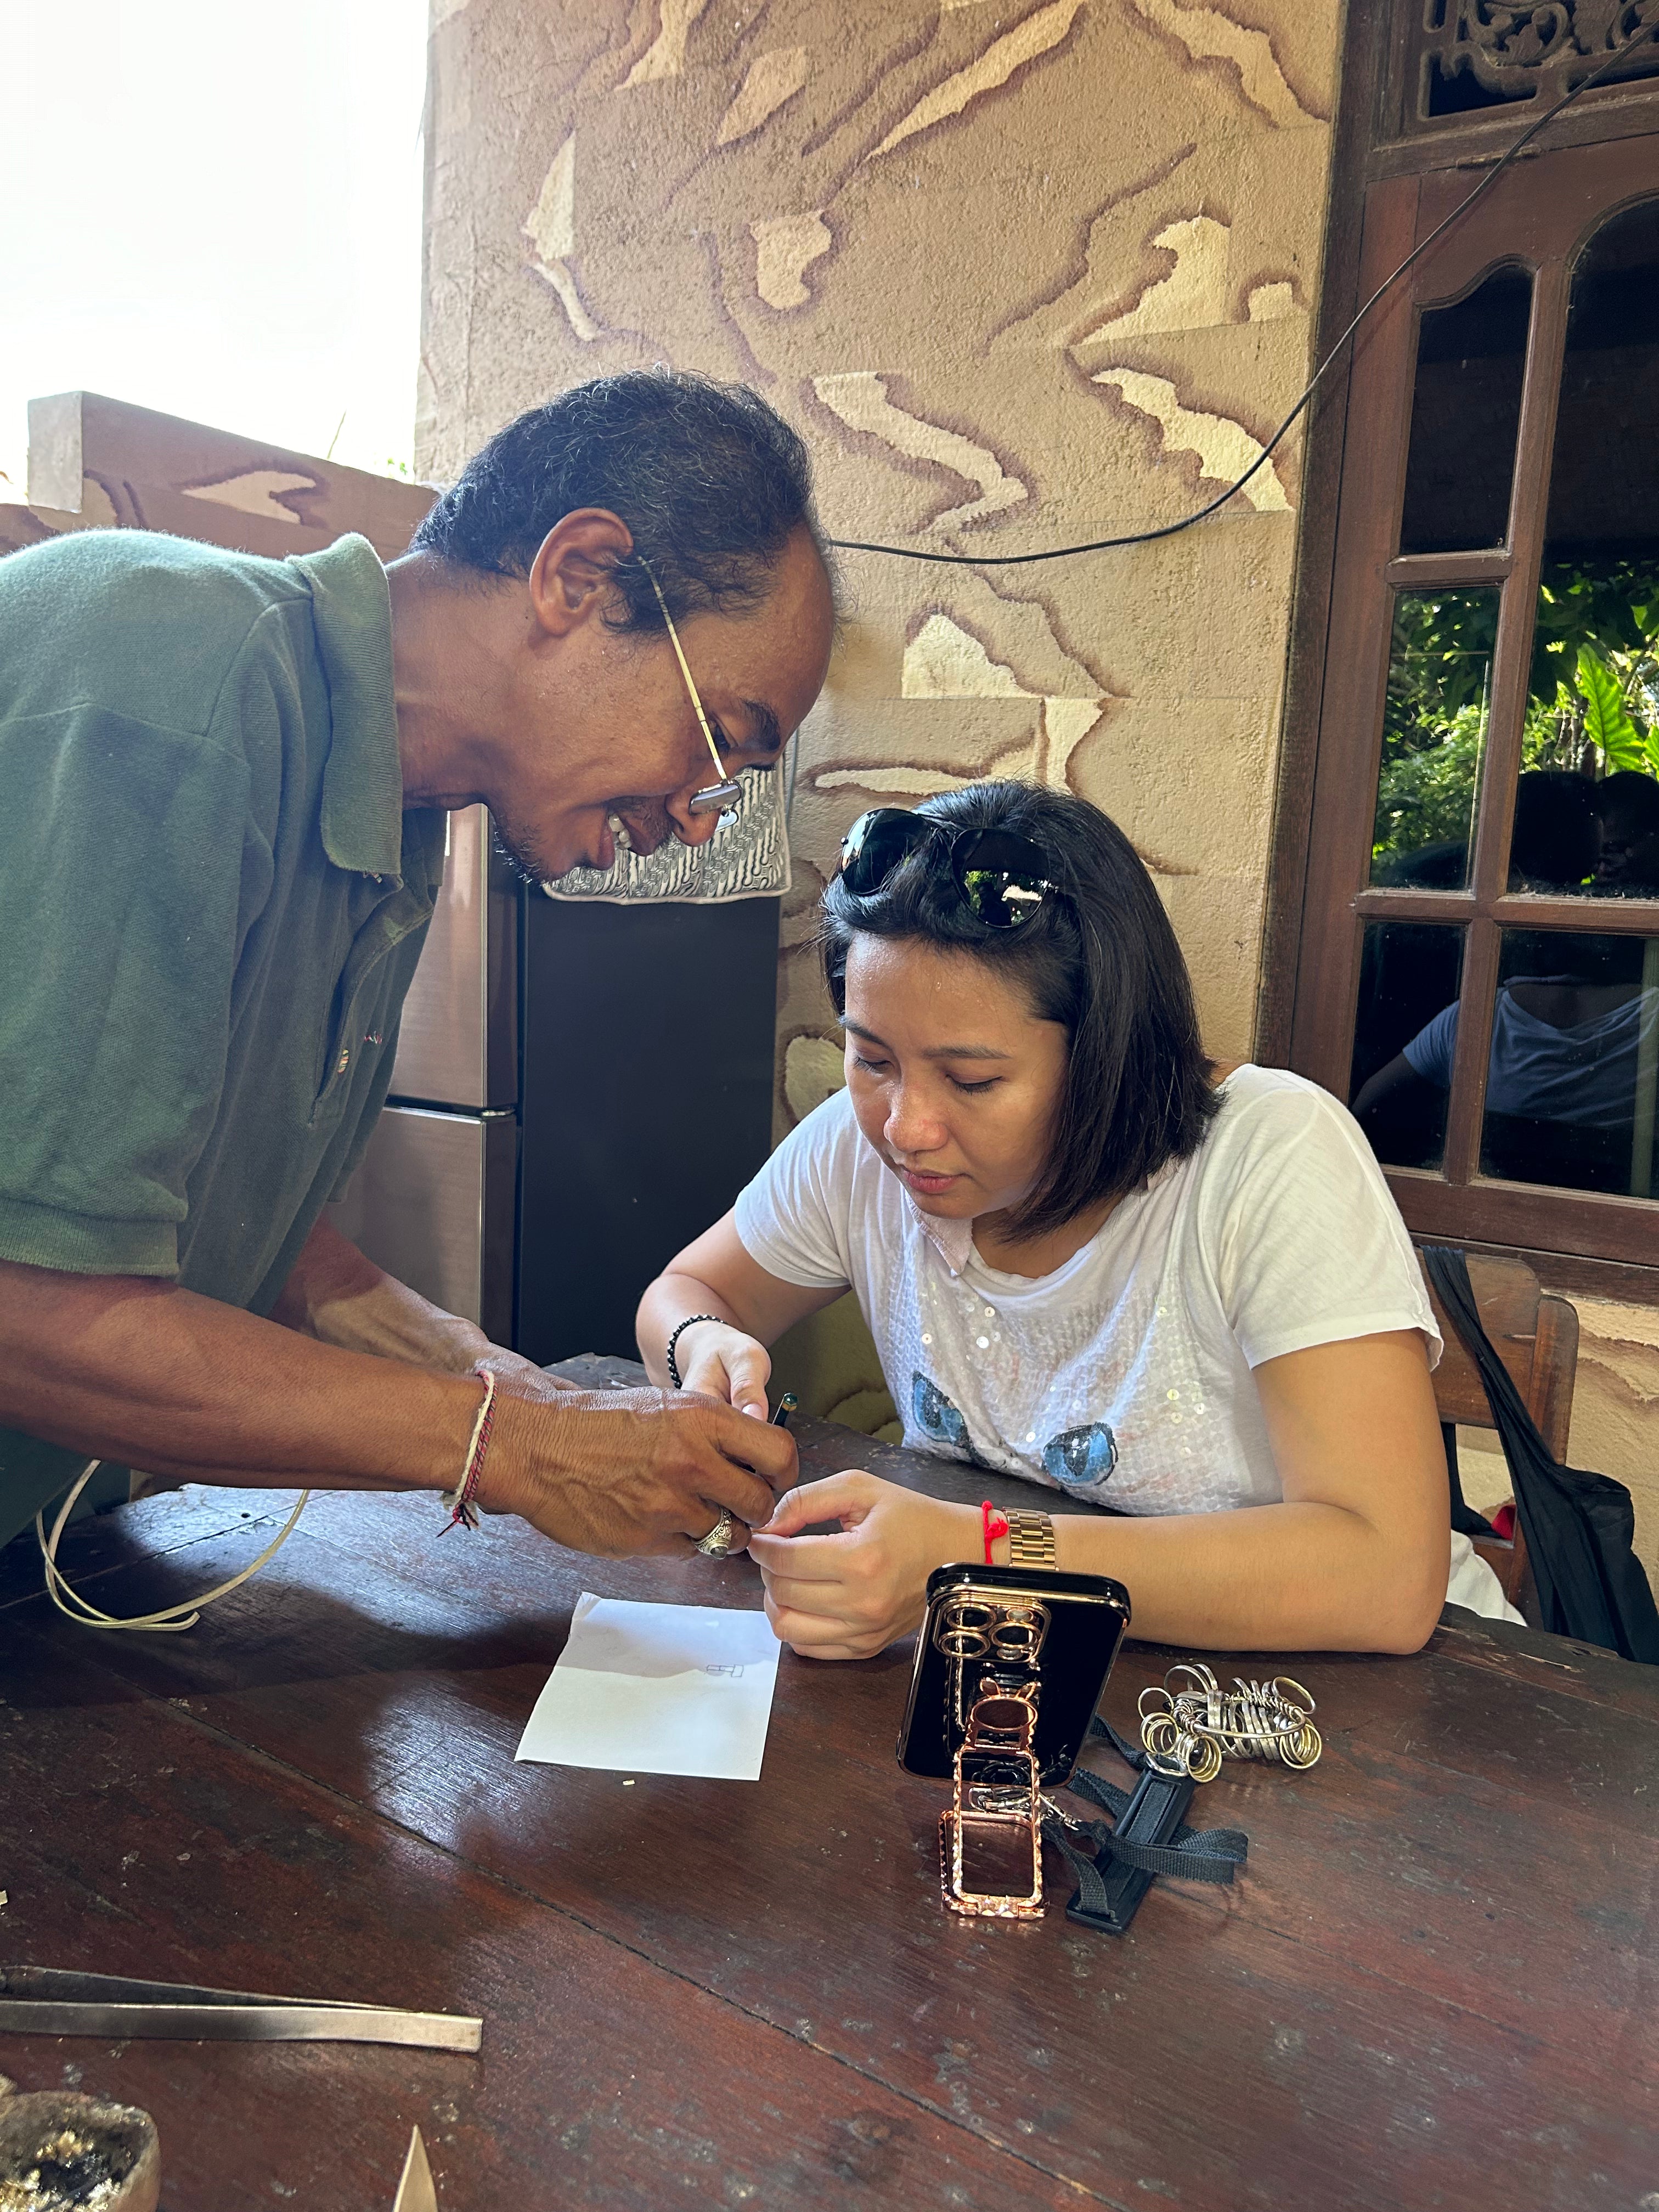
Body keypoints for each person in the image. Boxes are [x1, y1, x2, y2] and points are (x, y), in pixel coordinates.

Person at [0, 370, 828, 1558]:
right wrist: (510, 1446)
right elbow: (33, 1305)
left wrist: (507, 1383)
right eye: (723, 743)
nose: (703, 817)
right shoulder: (169, 683)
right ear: (578, 579)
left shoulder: (400, 817)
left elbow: (233, 1235)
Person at [637, 782, 1502, 1664]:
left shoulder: (1270, 1154)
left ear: (1106, 1053)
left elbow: (1385, 1579)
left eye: (971, 1081)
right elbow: (687, 1291)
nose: (907, 1126)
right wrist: (701, 1346)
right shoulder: (861, 1149)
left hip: (1375, 1706)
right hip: (1064, 1675)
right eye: (871, 1057)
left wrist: (973, 1557)